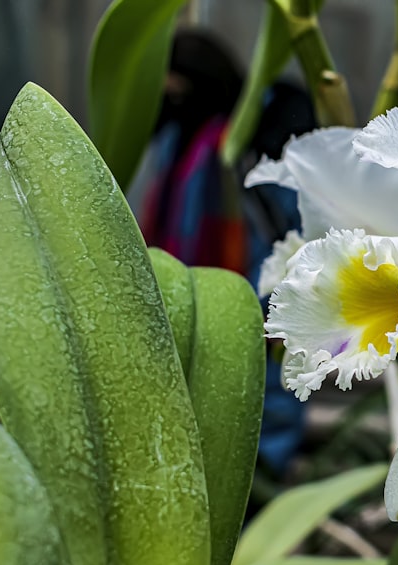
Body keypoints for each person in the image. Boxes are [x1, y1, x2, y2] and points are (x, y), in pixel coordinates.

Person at [132, 29, 316, 476]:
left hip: (256, 273)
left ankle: (267, 471)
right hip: (198, 284)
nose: (171, 94)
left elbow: (281, 220)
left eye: (177, 83)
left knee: (263, 371)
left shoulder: (255, 132)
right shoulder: (179, 133)